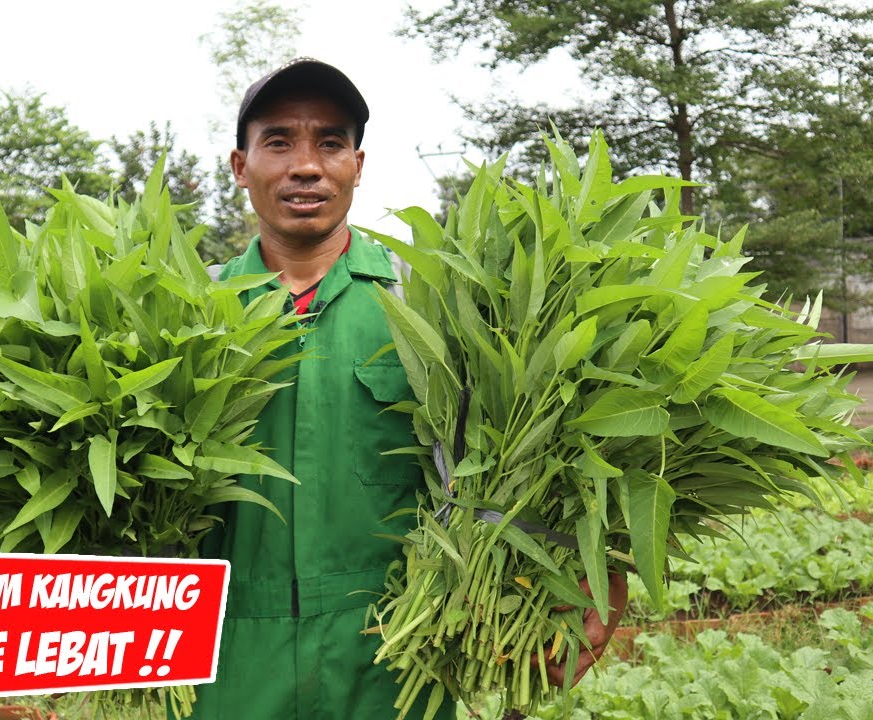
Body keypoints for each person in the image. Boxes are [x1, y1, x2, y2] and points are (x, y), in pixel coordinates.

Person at [189, 58, 625, 720]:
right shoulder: (189, 314)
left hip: (396, 663)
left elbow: (534, 457)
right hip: (224, 670)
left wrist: (595, 573)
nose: (307, 165)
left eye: (330, 142)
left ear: (358, 165)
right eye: (278, 141)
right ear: (239, 165)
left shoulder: (428, 301)